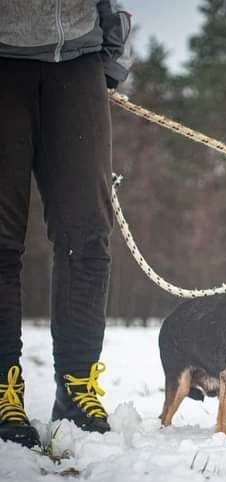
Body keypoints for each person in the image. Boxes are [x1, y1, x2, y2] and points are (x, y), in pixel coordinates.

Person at [0, 1, 132, 448]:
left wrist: (110, 59)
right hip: (4, 61)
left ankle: (77, 390)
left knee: (88, 239)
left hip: (78, 61)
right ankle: (4, 391)